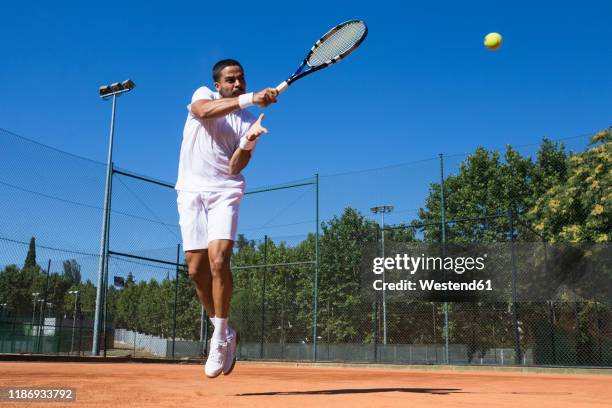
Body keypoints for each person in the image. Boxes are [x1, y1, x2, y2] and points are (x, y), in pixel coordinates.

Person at [175, 59, 278, 378]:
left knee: (219, 262)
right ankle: (225, 330)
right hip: (191, 191)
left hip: (225, 190)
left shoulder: (249, 120)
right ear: (217, 85)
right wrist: (252, 97)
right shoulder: (202, 94)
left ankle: (219, 338)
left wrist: (249, 140)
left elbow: (235, 166)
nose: (237, 84)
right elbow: (204, 112)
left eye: (241, 80)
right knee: (195, 270)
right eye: (231, 80)